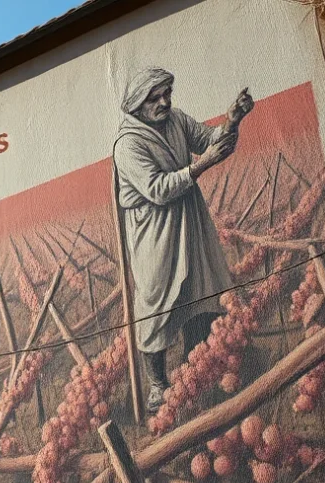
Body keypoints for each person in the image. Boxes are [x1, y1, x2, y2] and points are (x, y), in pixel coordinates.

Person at [112, 67, 254, 413]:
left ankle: (196, 370)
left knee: (198, 290)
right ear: (138, 102)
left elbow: (211, 142)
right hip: (154, 231)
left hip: (190, 221)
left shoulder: (175, 120)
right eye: (156, 97)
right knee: (155, 303)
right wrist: (199, 167)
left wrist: (232, 121)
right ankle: (158, 384)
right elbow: (157, 189)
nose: (164, 102)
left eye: (167, 94)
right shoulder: (128, 144)